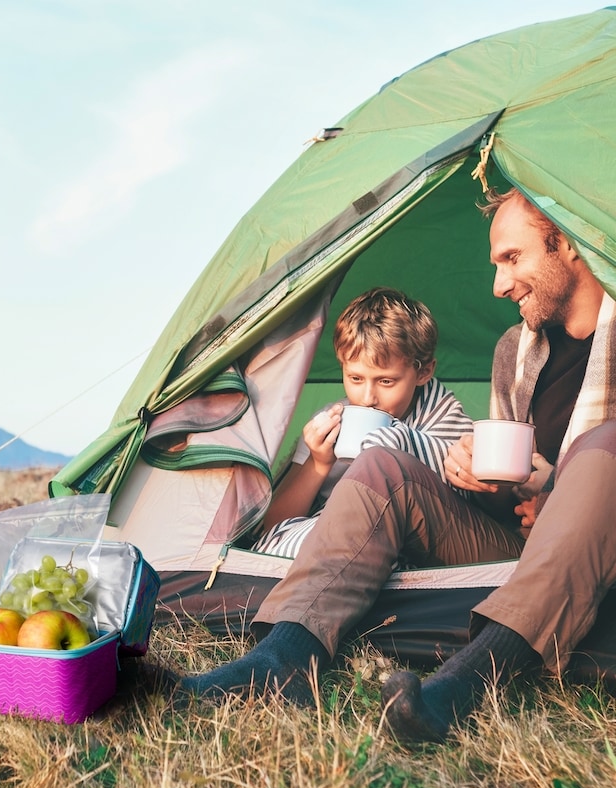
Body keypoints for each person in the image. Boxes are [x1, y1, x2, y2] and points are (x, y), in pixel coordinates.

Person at [172, 187, 616, 745]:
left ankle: (469, 685)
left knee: (610, 444)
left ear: (569, 244)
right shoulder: (515, 351)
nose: (498, 285)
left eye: (512, 259)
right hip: (515, 545)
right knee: (382, 463)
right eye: (496, 264)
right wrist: (481, 481)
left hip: (597, 550)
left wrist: (555, 484)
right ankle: (283, 660)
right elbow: (508, 497)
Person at [252, 287, 472, 559]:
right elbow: (274, 523)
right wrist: (318, 463)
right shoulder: (331, 422)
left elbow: (464, 516)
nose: (367, 398)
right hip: (334, 536)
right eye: (355, 378)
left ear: (423, 371)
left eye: (386, 381)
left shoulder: (445, 420)